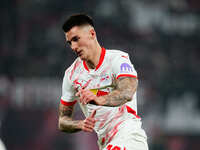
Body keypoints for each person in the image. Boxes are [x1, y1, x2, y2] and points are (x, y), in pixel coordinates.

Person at [58, 13, 148, 150]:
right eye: (70, 42)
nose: (73, 47)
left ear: (92, 34)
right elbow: (62, 121)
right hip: (106, 143)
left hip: (129, 138)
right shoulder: (71, 75)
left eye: (76, 39)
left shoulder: (118, 59)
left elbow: (127, 91)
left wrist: (99, 99)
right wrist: (80, 124)